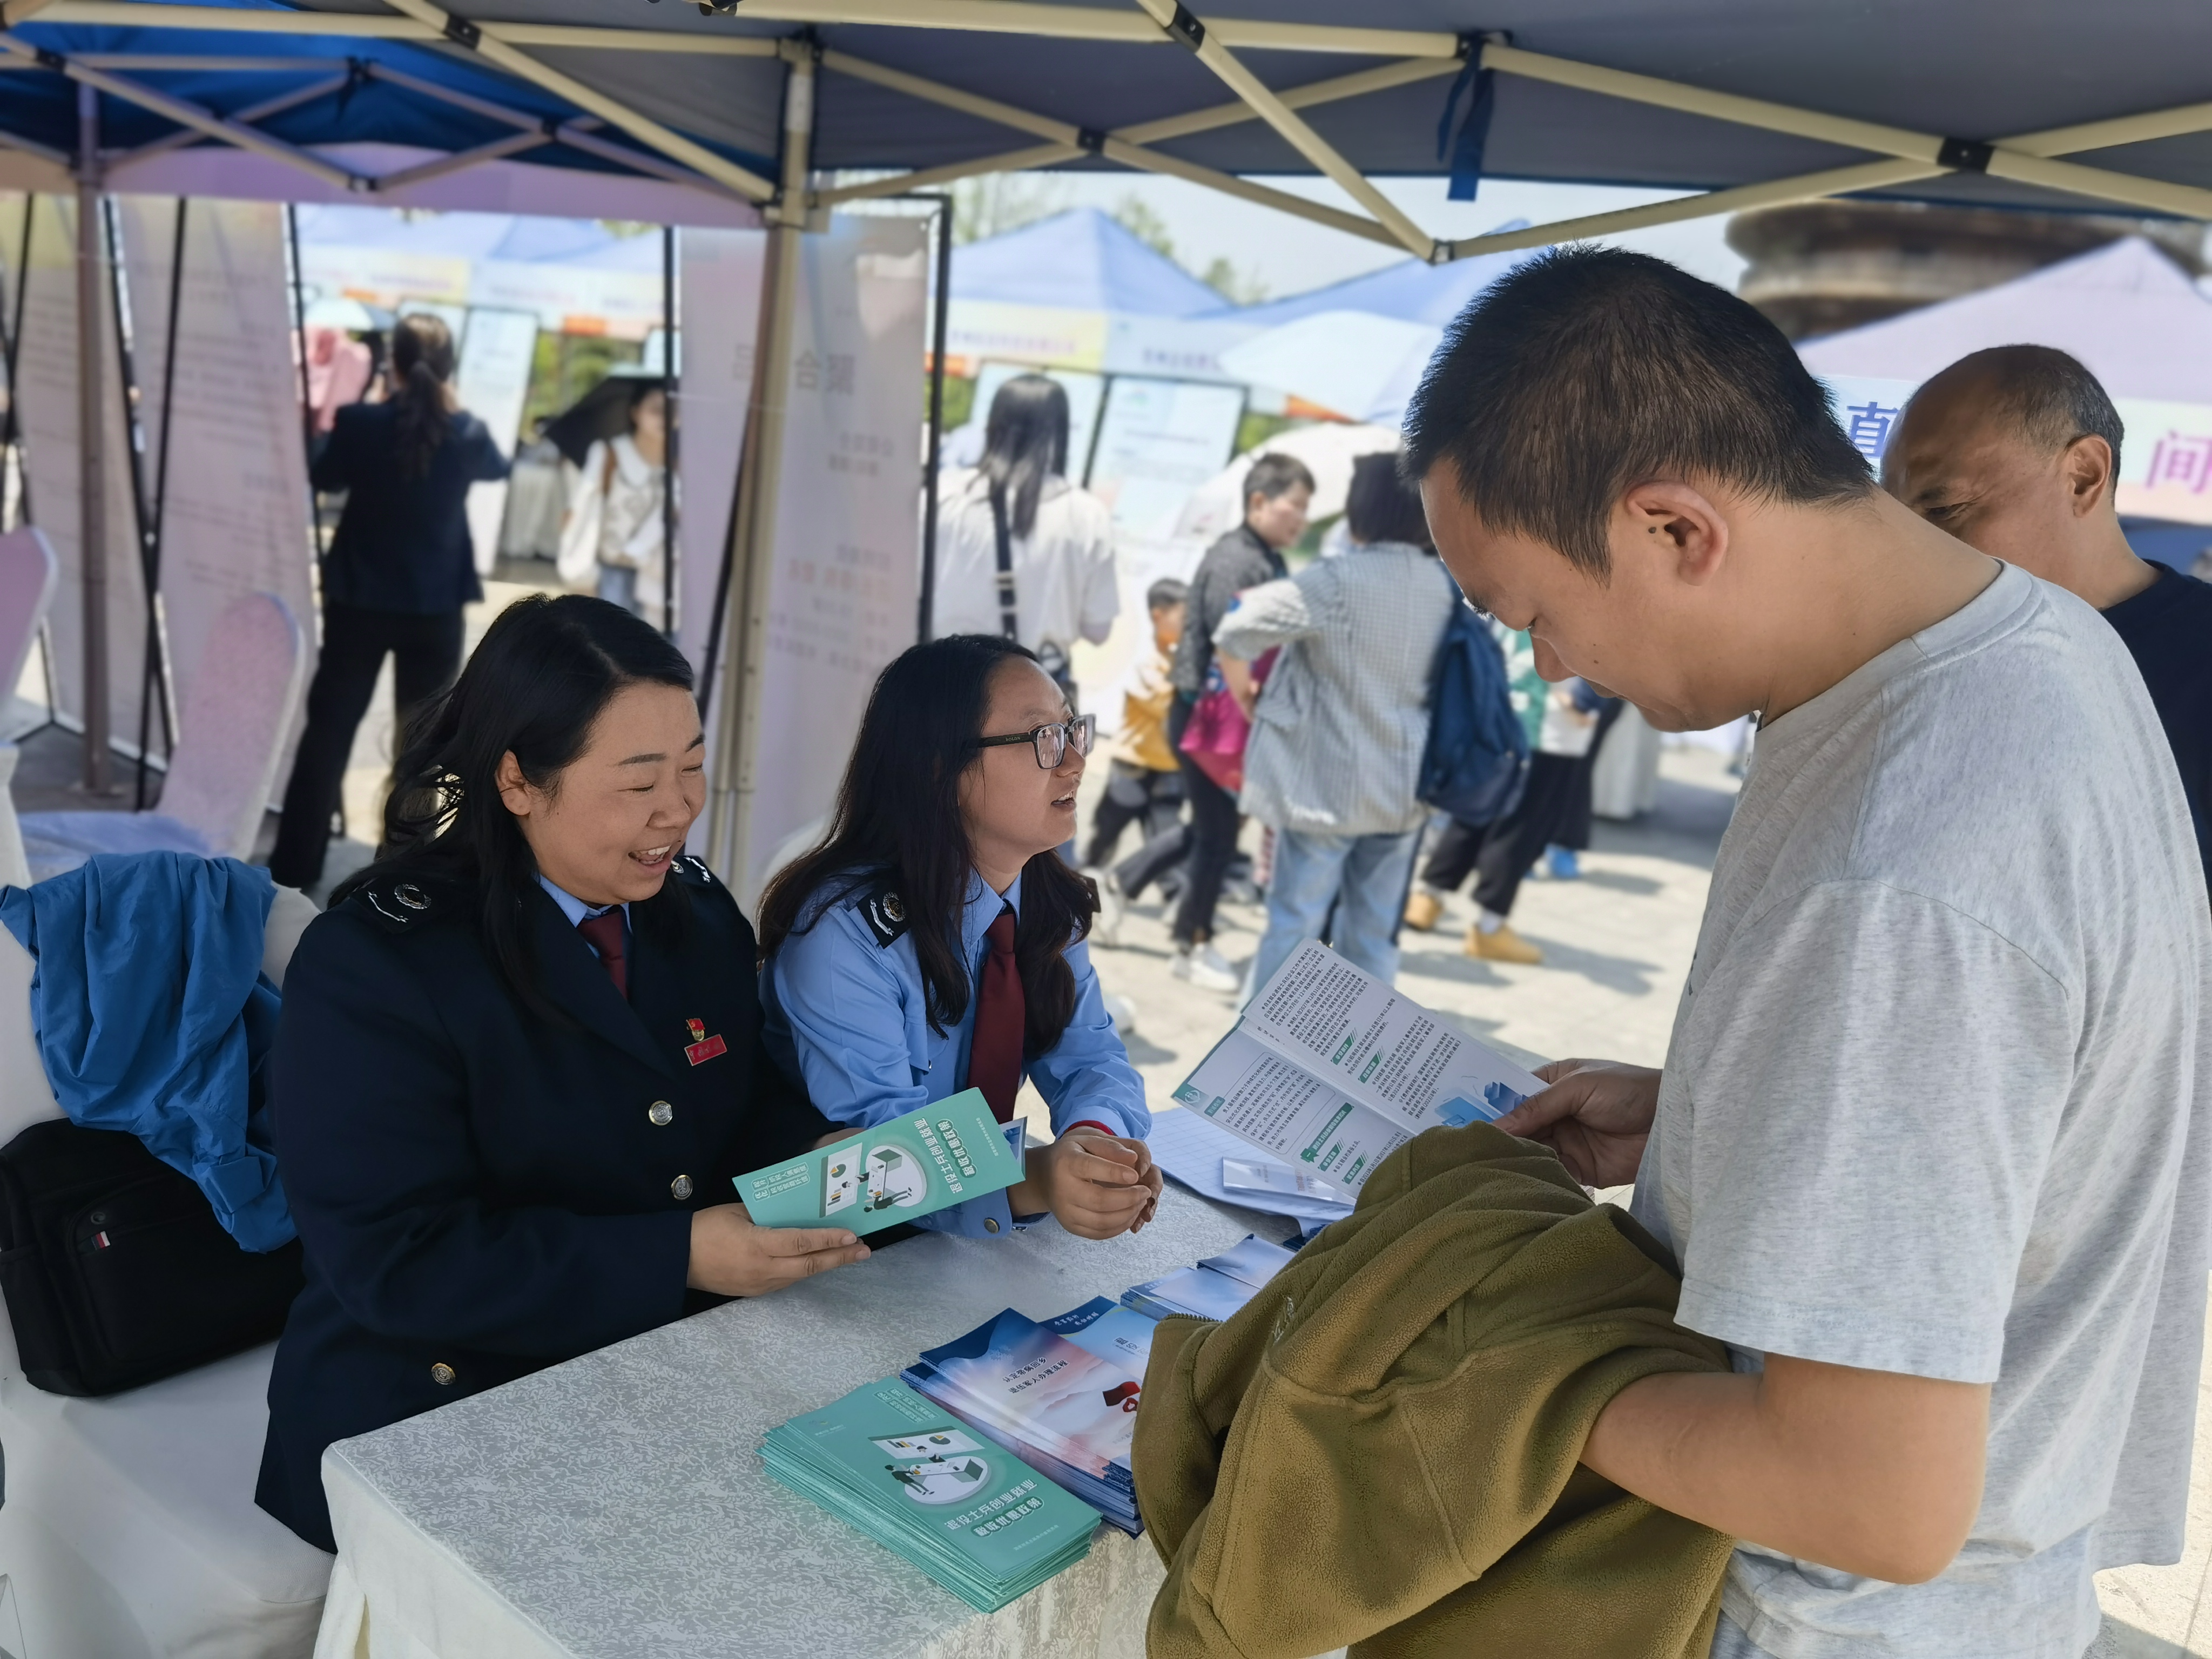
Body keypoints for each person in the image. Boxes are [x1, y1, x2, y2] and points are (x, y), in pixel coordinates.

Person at [1405, 247, 2210, 1658]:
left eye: (1536, 616)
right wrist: (1720, 1104)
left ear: (1672, 529)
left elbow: (1871, 1496)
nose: (1556, 673)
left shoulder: (1907, 864)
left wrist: (1490, 1375)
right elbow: (2017, 1095)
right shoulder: (2039, 644)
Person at [257, 595, 864, 1553]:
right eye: (638, 783)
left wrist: (819, 1153)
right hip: (431, 1410)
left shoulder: (695, 917)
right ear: (519, 781)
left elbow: (732, 1108)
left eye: (695, 766)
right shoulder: (379, 964)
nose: (679, 809)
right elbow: (397, 1260)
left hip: (647, 1364)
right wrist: (679, 1255)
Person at [759, 633, 1162, 1244]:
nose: (1075, 762)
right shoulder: (843, 933)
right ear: (939, 767)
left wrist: (1095, 1145)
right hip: (840, 1248)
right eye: (1042, 740)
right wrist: (1039, 1178)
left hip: (967, 1244)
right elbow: (881, 1155)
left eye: (1072, 730)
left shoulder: (1043, 901)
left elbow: (1091, 1058)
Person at [1884, 344, 2212, 881]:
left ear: (2083, 475)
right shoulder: (1914, 656)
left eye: (1942, 511)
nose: (1909, 550)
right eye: (1894, 523)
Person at [269, 313, 509, 892]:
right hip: (434, 608)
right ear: (449, 368)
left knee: (329, 734)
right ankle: (400, 872)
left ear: (391, 365)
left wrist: (360, 399)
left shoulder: (360, 423)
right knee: (423, 743)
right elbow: (498, 467)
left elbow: (322, 474)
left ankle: (292, 872)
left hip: (360, 601)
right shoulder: (466, 431)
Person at [1213, 452, 1458, 999]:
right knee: (1373, 937)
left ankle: (1258, 1055)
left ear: (1360, 510)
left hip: (1327, 787)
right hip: (1405, 790)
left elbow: (1235, 628)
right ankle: (1359, 1058)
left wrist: (1245, 694)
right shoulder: (1445, 587)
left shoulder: (1338, 577)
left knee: (1293, 925)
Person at [1166, 452, 1314, 992]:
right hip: (1211, 719)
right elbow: (1233, 643)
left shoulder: (1261, 555)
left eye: (1305, 509)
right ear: (1258, 501)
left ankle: (1165, 908)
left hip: (1220, 718)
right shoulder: (1242, 560)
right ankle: (1191, 942)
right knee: (1217, 837)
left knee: (1213, 832)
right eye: (1293, 506)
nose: (1300, 519)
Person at [928, 375, 1117, 701]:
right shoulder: (1086, 515)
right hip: (1037, 698)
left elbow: (910, 595)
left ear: (993, 423)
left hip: (945, 687)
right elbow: (1098, 630)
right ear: (1058, 430)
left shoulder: (944, 496)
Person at [1402, 671, 1608, 963]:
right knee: (1523, 830)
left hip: (1509, 714)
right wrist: (1586, 703)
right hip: (1553, 726)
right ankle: (1489, 926)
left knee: (1476, 810)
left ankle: (1427, 897)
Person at [1082, 577, 1188, 947]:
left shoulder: (1181, 660)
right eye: (1182, 615)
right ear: (1158, 616)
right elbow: (1163, 704)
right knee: (1104, 840)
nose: (1189, 623)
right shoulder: (1144, 661)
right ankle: (1078, 903)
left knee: (1170, 839)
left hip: (1170, 770)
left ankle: (1179, 909)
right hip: (1133, 766)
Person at [558, 379, 672, 627]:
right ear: (635, 413)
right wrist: (582, 575)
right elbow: (580, 511)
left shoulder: (681, 466)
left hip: (661, 577)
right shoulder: (609, 455)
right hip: (612, 572)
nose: (664, 418)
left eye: (673, 410)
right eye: (655, 410)